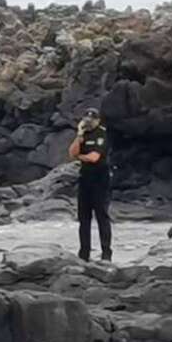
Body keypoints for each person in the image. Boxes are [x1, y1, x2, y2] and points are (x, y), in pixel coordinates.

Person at [67, 107, 112, 262]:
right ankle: (84, 253)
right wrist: (79, 134)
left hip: (100, 179)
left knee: (102, 216)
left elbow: (94, 157)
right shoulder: (83, 134)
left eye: (92, 120)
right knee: (83, 218)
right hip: (85, 179)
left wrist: (80, 156)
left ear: (98, 120)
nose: (89, 122)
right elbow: (72, 153)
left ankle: (106, 253)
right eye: (86, 119)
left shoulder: (102, 134)